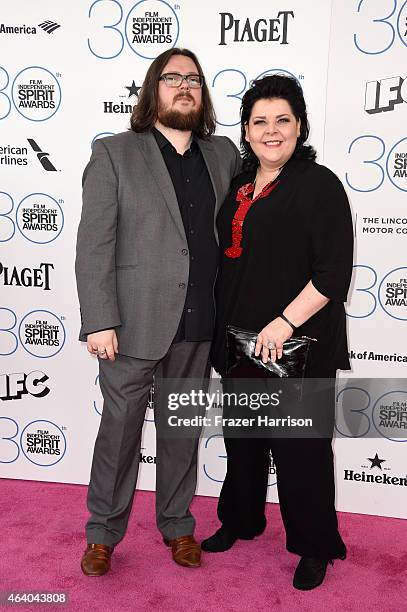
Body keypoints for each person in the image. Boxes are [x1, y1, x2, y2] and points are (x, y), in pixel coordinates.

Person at [75, 47, 241, 576]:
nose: (184, 86)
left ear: (202, 93)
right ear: (154, 90)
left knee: (181, 431)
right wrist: (99, 319)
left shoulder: (223, 155)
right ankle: (103, 532)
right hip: (130, 325)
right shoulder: (114, 153)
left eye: (193, 79)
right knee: (119, 433)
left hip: (197, 322)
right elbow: (94, 244)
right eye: (173, 78)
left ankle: (177, 524)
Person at [202, 75, 353, 591]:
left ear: (300, 126)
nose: (271, 131)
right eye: (259, 121)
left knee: (300, 452)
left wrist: (284, 321)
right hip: (241, 343)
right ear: (245, 130)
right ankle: (241, 521)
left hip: (299, 345)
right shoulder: (239, 185)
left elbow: (333, 275)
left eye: (282, 120)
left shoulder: (320, 185)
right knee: (243, 442)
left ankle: (314, 545)